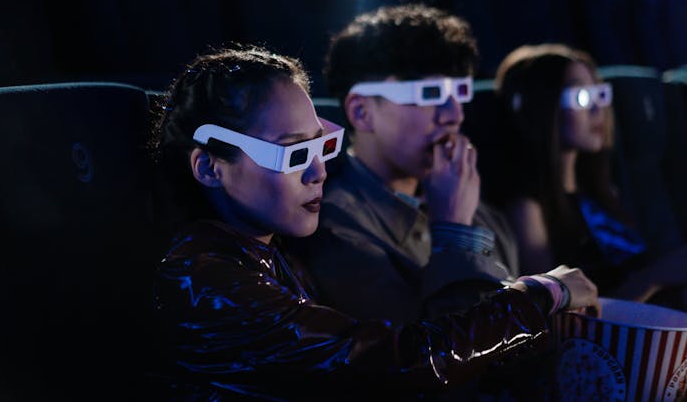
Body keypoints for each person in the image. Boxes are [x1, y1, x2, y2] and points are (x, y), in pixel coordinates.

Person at [149, 44, 598, 400]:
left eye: (323, 146)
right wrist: (538, 294)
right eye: (295, 154)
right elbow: (393, 364)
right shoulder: (204, 277)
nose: (319, 172)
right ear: (210, 167)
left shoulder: (271, 255)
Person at [287, 4, 528, 322]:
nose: (454, 115)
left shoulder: (476, 209)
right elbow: (440, 360)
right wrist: (453, 231)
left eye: (459, 93)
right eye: (430, 93)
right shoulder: (337, 232)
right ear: (362, 112)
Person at [495, 43, 687, 305]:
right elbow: (548, 317)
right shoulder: (528, 211)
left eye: (600, 94)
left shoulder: (602, 192)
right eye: (582, 96)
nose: (598, 110)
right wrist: (655, 276)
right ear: (543, 107)